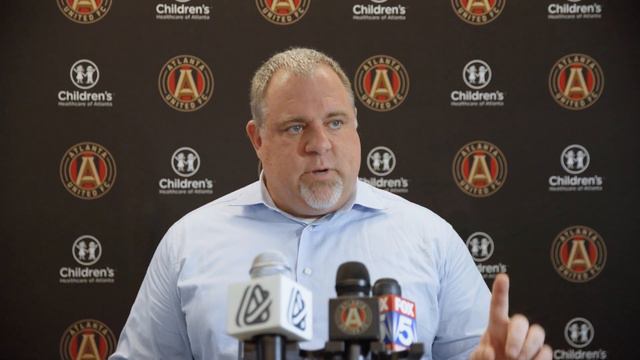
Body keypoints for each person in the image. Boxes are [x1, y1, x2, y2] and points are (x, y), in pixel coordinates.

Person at [110, 48, 551, 360]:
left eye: (335, 123)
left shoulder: (428, 238)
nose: (319, 145)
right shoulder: (190, 242)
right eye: (295, 127)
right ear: (257, 139)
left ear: (357, 129)